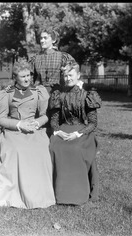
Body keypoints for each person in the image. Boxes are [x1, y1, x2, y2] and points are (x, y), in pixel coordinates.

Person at [0, 60, 55, 209]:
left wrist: (36, 123)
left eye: (28, 75)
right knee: (17, 151)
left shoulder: (39, 91)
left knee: (42, 149)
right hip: (14, 131)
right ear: (15, 77)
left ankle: (40, 194)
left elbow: (46, 115)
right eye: (23, 76)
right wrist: (19, 124)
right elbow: (0, 118)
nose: (27, 79)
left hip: (34, 129)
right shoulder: (5, 94)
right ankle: (16, 193)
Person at [49, 60, 102, 205]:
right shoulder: (58, 95)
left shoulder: (87, 95)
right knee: (55, 147)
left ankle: (77, 193)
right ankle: (56, 192)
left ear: (78, 75)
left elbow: (93, 123)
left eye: (71, 75)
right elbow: (54, 120)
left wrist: (78, 134)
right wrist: (58, 132)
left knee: (75, 148)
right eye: (65, 76)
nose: (68, 79)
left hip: (82, 131)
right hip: (63, 129)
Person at [29, 27, 76, 136]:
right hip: (39, 95)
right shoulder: (36, 58)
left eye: (45, 38)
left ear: (53, 40)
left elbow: (74, 72)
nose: (42, 41)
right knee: (40, 126)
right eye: (41, 38)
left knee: (56, 124)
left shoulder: (63, 56)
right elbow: (29, 78)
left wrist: (67, 71)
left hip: (57, 94)